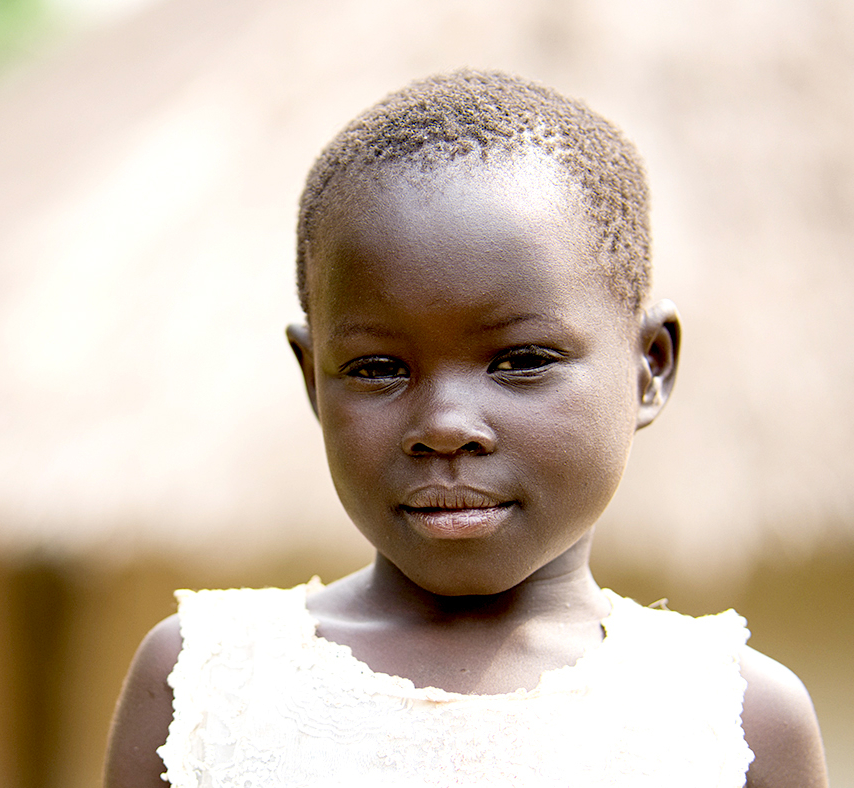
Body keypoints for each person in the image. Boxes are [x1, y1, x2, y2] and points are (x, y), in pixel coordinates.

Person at [103, 70, 828, 787]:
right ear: (311, 376)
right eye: (378, 368)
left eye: (521, 360)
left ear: (650, 366)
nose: (445, 427)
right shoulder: (206, 689)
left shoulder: (733, 721)